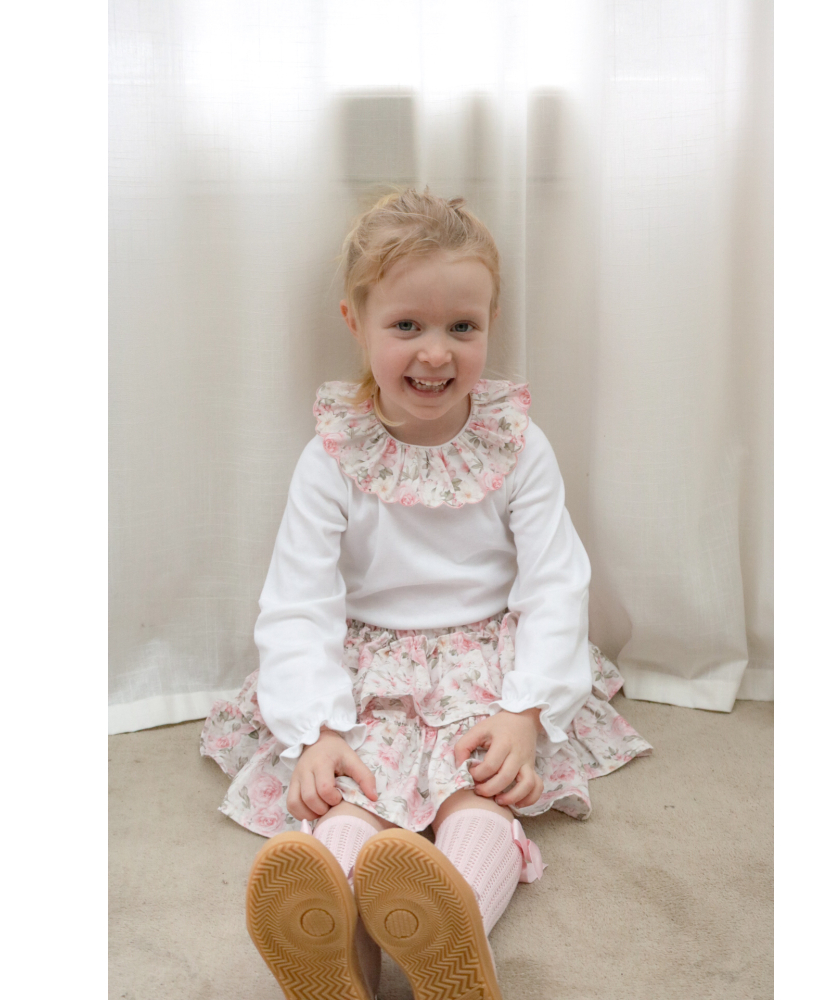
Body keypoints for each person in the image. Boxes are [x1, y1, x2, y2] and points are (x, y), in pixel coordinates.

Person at [201, 189, 652, 1000]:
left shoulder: (518, 445)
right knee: (351, 795)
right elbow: (298, 599)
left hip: (487, 665)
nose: (435, 353)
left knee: (478, 793)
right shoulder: (332, 456)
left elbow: (555, 584)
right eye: (406, 325)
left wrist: (525, 712)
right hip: (364, 667)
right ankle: (332, 939)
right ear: (356, 322)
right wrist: (317, 730)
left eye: (462, 328)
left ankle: (449, 929)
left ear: (491, 323)